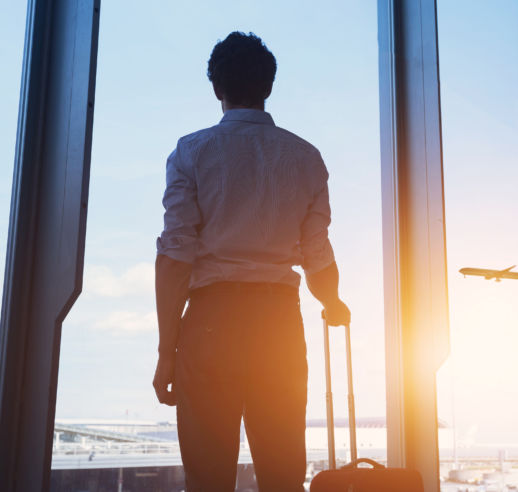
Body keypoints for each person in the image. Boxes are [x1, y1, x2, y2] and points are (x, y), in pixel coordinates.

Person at [152, 31, 350, 491]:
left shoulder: (191, 151)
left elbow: (175, 256)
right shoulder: (305, 157)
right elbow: (317, 252)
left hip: (209, 322)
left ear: (217, 88)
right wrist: (333, 302)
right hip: (277, 321)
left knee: (208, 476)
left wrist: (167, 353)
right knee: (282, 473)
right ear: (269, 86)